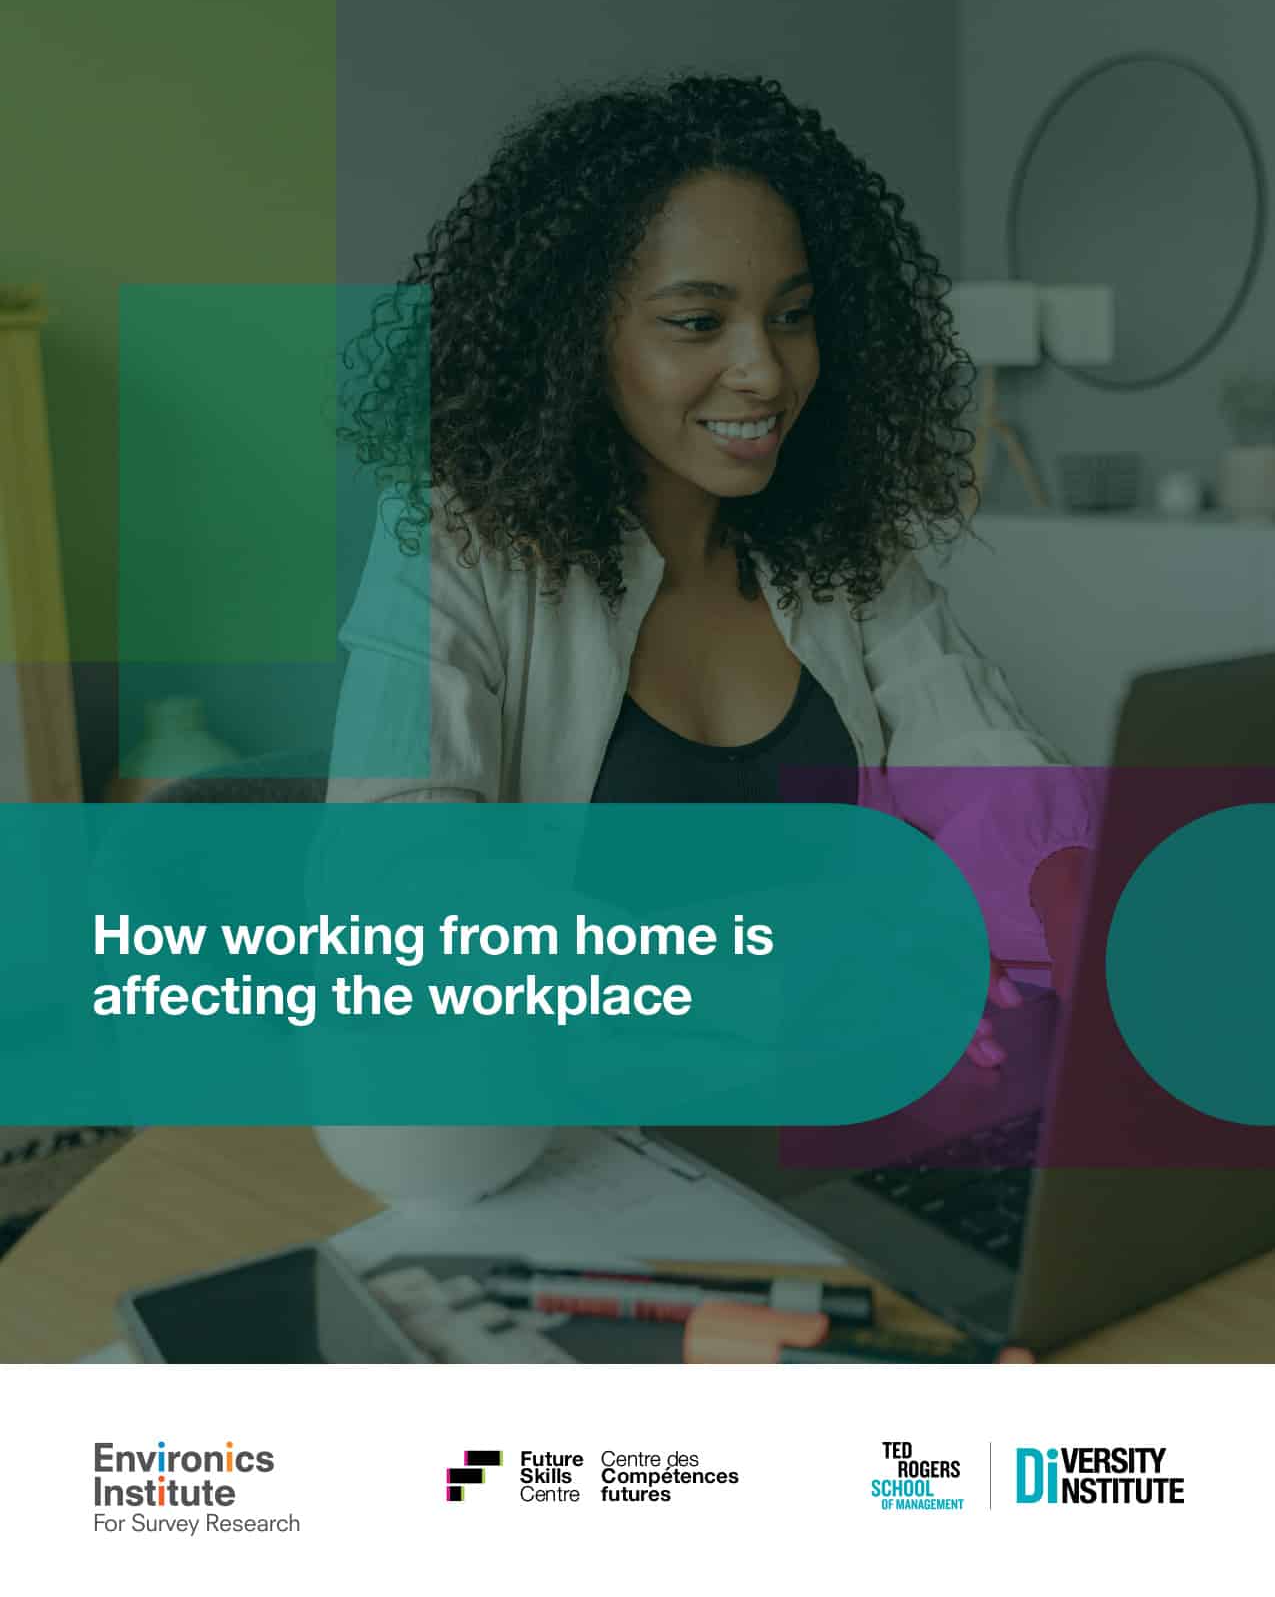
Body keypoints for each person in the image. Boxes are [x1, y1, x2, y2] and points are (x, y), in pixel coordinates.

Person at [329, 72, 1095, 1069]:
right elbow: (400, 883)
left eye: (793, 315)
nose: (765, 372)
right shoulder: (456, 545)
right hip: (581, 1111)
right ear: (576, 336)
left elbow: (981, 761)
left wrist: (1072, 901)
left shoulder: (843, 544)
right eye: (697, 322)